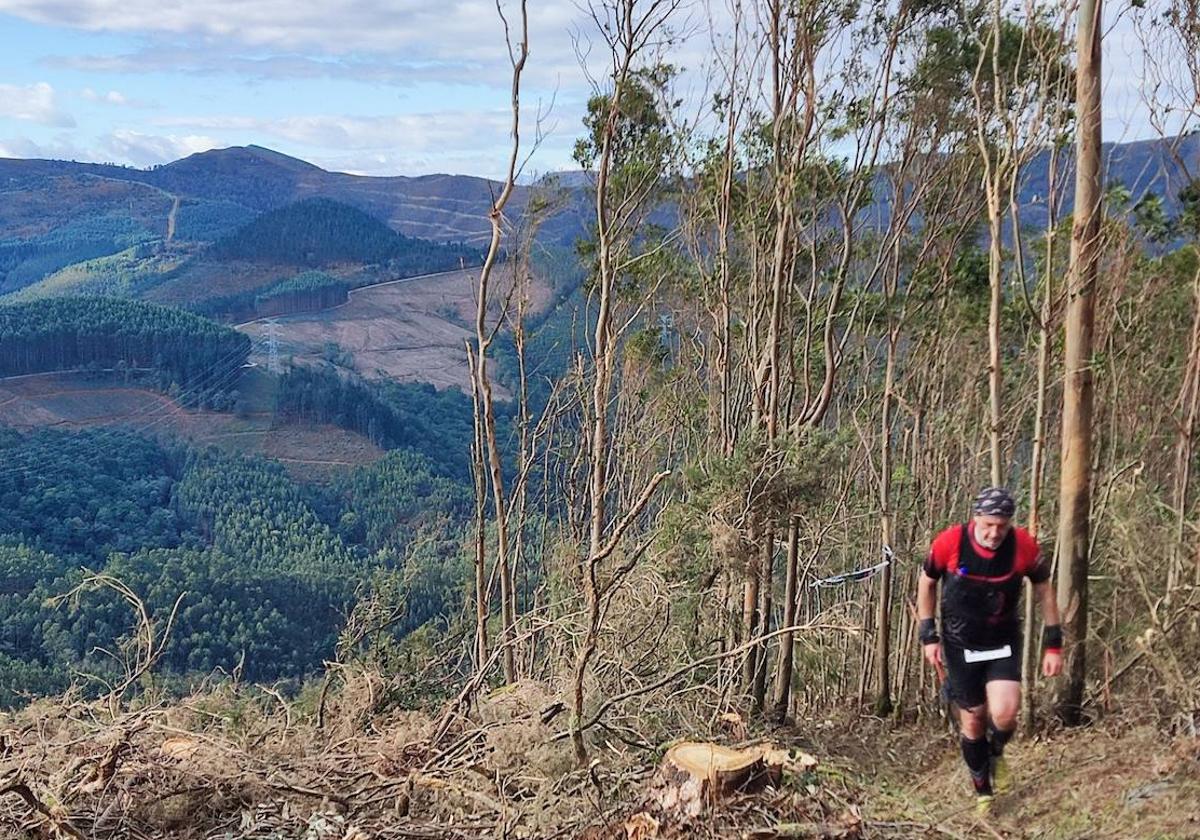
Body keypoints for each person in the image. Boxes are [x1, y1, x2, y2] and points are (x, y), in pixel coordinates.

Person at [917, 486, 1063, 816]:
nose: (995, 533)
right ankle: (983, 791)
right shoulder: (950, 542)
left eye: (1002, 525)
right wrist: (928, 635)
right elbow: (926, 582)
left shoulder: (1022, 545)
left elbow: (1044, 589)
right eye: (988, 525)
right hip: (959, 643)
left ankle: (995, 753)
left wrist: (1054, 643)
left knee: (1006, 713)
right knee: (974, 720)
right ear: (975, 520)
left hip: (1002, 639)